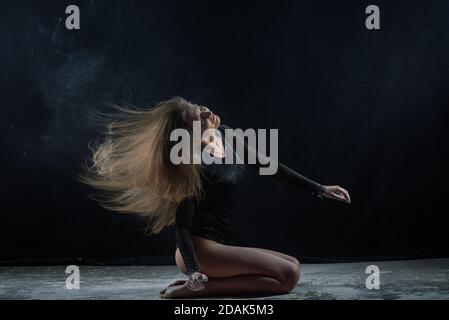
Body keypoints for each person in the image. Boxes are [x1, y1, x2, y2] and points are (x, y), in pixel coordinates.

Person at [80, 97, 351, 299]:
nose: (207, 112)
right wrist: (195, 269)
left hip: (218, 248)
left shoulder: (227, 136)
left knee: (292, 265)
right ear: (190, 132)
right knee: (288, 277)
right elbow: (183, 227)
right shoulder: (191, 167)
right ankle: (195, 289)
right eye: (198, 116)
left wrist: (320, 188)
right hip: (199, 252)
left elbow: (267, 165)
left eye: (198, 107)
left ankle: (197, 284)